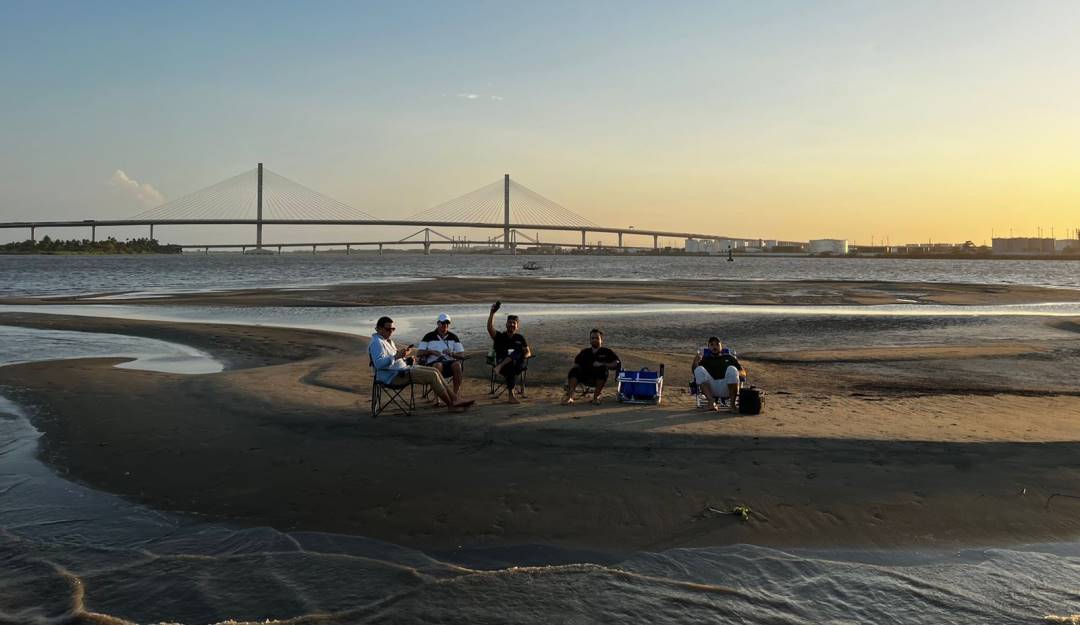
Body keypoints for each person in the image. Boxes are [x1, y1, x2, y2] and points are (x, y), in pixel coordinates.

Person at [369, 316, 473, 412]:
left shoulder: (387, 341)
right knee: (433, 375)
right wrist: (397, 356)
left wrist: (406, 359)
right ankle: (451, 405)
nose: (391, 332)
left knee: (435, 371)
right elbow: (379, 364)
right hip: (393, 376)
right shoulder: (376, 343)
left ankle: (455, 399)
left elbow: (393, 359)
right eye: (388, 329)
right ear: (379, 328)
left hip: (403, 369)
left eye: (393, 329)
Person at [486, 302, 531, 404]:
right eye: (509, 322)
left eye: (514, 323)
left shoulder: (520, 338)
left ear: (517, 326)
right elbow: (489, 328)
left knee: (518, 352)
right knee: (511, 365)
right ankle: (511, 396)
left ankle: (500, 366)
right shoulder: (500, 337)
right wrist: (492, 313)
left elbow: (528, 352)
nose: (511, 324)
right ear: (506, 324)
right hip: (505, 367)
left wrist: (524, 356)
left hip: (517, 365)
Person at [562, 328, 621, 405]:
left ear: (601, 340)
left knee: (602, 370)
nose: (594, 340)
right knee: (574, 370)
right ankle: (570, 397)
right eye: (592, 338)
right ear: (590, 340)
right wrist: (569, 380)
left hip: (598, 378)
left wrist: (603, 364)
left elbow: (616, 363)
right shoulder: (584, 352)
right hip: (584, 377)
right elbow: (576, 364)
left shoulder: (607, 352)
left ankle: (595, 397)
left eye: (597, 338)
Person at [417, 313, 465, 403]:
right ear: (438, 323)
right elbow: (419, 353)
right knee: (438, 365)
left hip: (449, 364)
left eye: (447, 323)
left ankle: (455, 396)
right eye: (443, 323)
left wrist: (452, 354)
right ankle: (437, 398)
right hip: (433, 364)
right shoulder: (428, 336)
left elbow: (462, 355)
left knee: (457, 365)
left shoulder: (453, 337)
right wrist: (431, 352)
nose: (445, 325)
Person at [692, 336, 746, 412]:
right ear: (708, 347)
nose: (714, 347)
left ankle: (732, 405)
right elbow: (695, 373)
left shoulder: (729, 357)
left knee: (732, 369)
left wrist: (735, 373)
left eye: (717, 344)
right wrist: (696, 362)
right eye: (712, 345)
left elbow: (743, 373)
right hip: (711, 388)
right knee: (699, 369)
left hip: (727, 387)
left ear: (721, 347)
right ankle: (711, 403)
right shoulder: (705, 360)